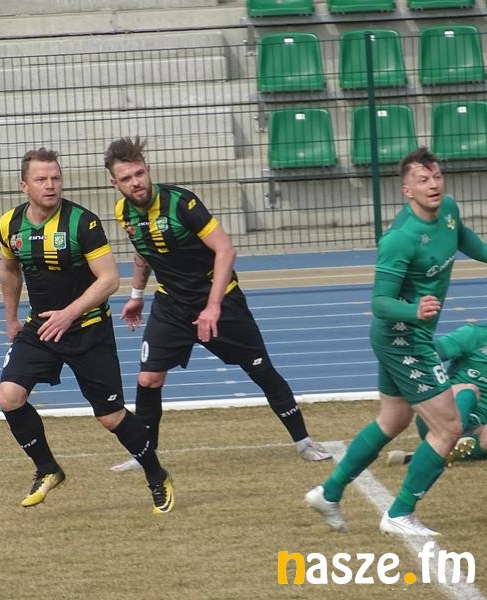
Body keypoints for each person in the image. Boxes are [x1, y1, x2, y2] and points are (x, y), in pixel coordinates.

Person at [102, 136, 330, 474]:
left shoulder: (182, 204)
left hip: (220, 300)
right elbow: (143, 251)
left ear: (148, 170)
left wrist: (212, 306)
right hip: (171, 304)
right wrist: (136, 295)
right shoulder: (123, 212)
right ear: (115, 183)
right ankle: (145, 453)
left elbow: (225, 249)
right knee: (148, 379)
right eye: (126, 178)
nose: (136, 182)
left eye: (139, 173)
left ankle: (303, 441)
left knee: (259, 369)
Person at [305, 147, 487, 537]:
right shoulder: (400, 239)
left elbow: (463, 238)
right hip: (402, 338)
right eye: (423, 179)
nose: (433, 184)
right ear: (407, 190)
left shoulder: (448, 210)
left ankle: (329, 492)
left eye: (436, 176)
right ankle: (399, 513)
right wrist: (414, 310)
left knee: (393, 419)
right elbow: (380, 302)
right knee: (449, 427)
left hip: (409, 336)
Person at [0, 147, 174, 514]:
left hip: (88, 330)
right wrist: (11, 319)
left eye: (55, 178)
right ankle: (48, 469)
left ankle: (157, 476)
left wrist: (69, 313)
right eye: (41, 179)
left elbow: (109, 279)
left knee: (110, 417)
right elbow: (10, 270)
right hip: (41, 327)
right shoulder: (9, 224)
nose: (50, 185)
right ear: (24, 186)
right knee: (9, 397)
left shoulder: (82, 223)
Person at [387, 323, 487, 466]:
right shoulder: (473, 335)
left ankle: (433, 454)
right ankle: (444, 445)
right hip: (440, 416)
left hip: (476, 427)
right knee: (469, 390)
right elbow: (422, 358)